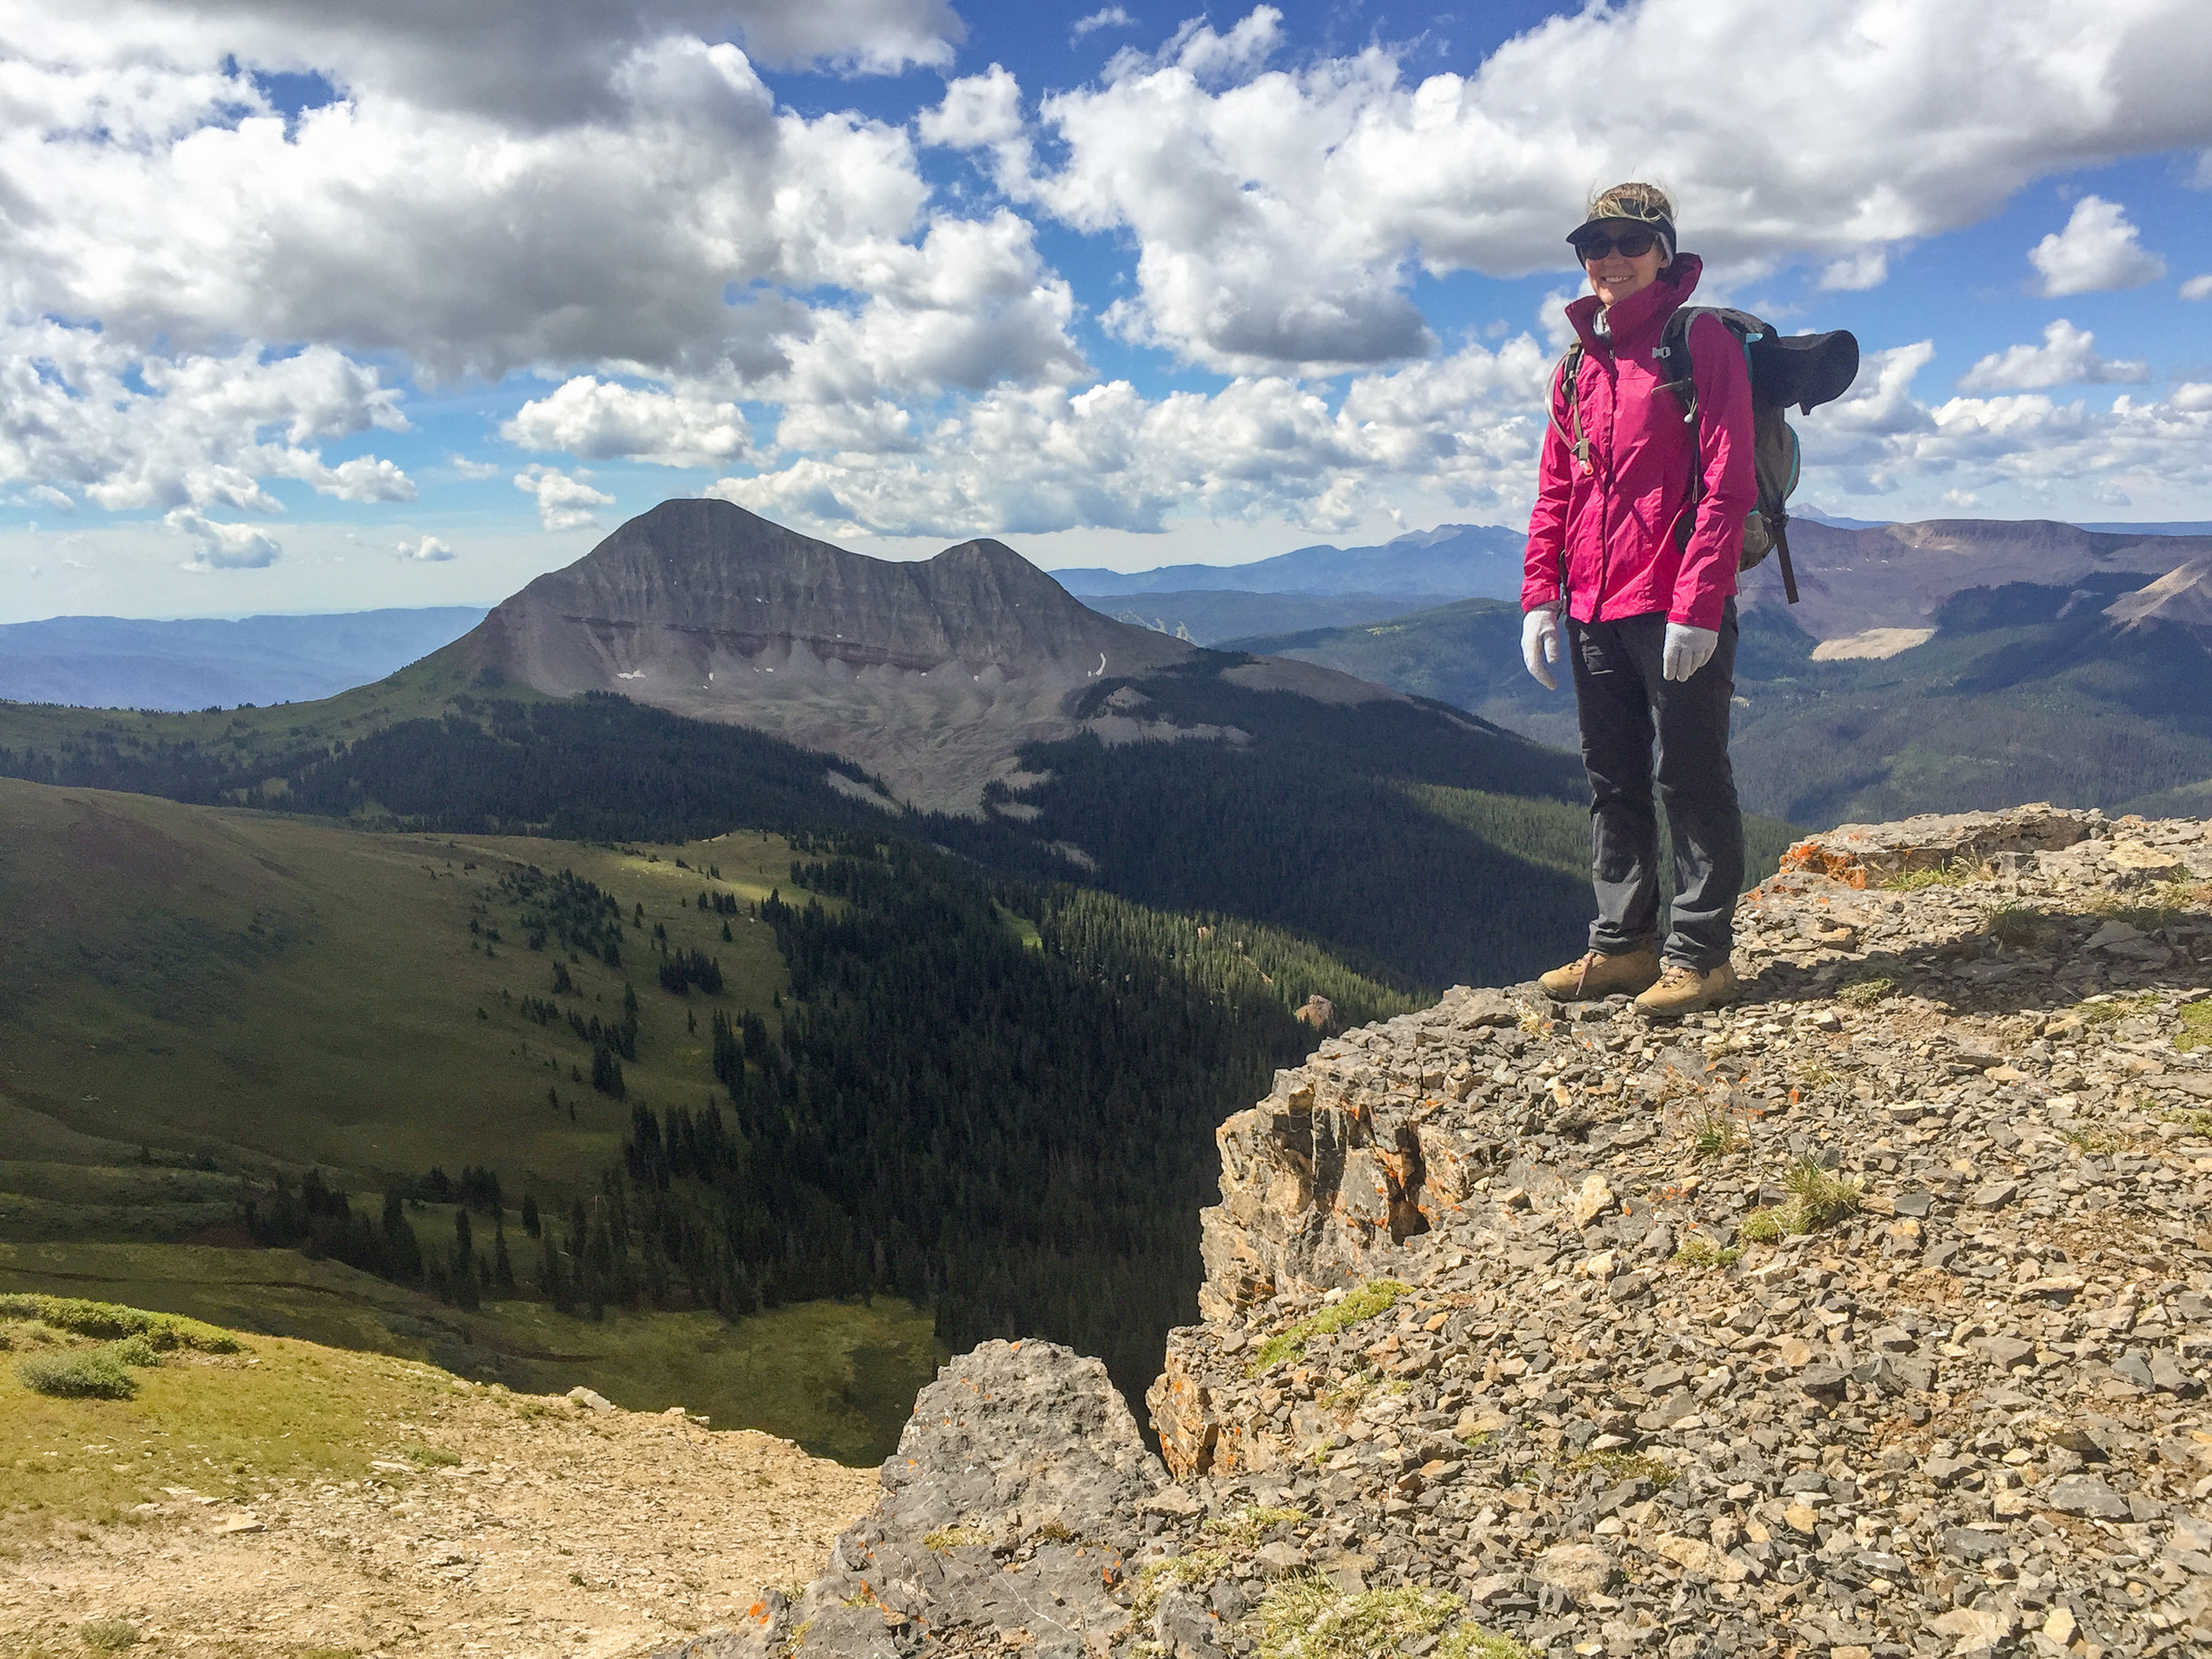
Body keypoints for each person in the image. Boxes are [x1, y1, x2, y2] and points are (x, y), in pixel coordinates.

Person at [1520, 181, 1755, 1018]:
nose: (1610, 258)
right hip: (1590, 604)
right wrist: (1539, 596)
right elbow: (1558, 490)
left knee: (1689, 774)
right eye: (1594, 245)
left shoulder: (1699, 342)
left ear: (1664, 250)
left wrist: (1698, 600)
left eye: (1628, 241)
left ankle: (1700, 956)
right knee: (1612, 779)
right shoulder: (1579, 364)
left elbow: (1726, 482)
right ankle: (1623, 946)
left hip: (1671, 601)